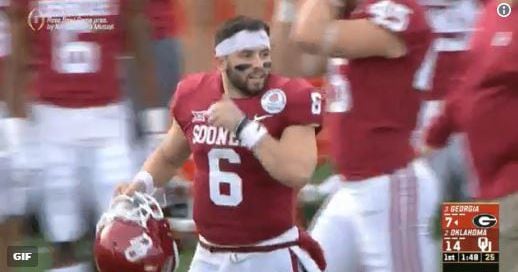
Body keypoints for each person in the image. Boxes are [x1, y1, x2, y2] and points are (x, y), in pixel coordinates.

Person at [115, 15, 326, 272]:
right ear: (221, 61)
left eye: (263, 53)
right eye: (246, 55)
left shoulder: (290, 97)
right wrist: (139, 187)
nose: (258, 64)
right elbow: (170, 156)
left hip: (270, 254)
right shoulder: (194, 94)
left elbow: (297, 172)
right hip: (209, 255)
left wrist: (245, 128)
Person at [272, 0, 440, 271]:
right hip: (356, 183)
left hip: (393, 176)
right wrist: (287, 7)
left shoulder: (399, 11)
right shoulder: (355, 15)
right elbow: (286, 67)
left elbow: (309, 34)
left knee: (478, 242)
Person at [9, 0, 161, 271]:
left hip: (108, 117)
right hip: (51, 118)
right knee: (61, 226)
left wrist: (155, 125)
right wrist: (15, 128)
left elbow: (143, 52)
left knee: (119, 227)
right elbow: (18, 55)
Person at [424, 0, 518, 270]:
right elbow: (470, 81)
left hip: (510, 177)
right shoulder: (494, 12)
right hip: (482, 170)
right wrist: (436, 133)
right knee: (471, 260)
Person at [414, 0, 479, 203]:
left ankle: (467, 235)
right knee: (422, 192)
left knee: (470, 191)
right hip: (420, 104)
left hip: (472, 100)